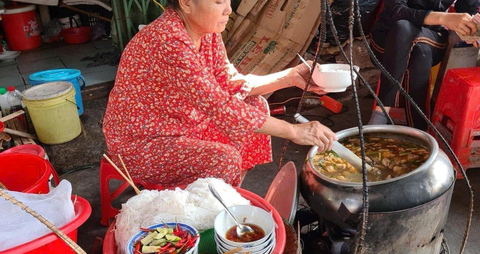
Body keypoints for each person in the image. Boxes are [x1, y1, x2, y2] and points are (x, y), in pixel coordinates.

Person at [103, 0, 336, 188]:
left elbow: (230, 83)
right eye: (218, 2)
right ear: (185, 3)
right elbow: (222, 107)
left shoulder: (206, 32)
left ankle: (227, 193)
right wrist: (294, 131)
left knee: (255, 106)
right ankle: (206, 215)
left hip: (181, 124)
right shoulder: (168, 41)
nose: (228, 9)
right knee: (224, 158)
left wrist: (291, 77)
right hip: (141, 142)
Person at [368, 0, 480, 130]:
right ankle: (418, 130)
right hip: (388, 39)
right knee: (416, 46)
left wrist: (473, 28)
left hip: (431, 36)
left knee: (420, 48)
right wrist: (443, 18)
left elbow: (469, 10)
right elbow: (395, 11)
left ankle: (379, 117)